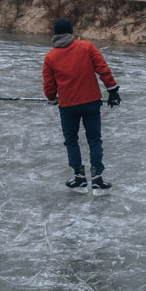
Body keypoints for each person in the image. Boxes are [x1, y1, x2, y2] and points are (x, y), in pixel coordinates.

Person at [42, 17, 121, 190]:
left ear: (55, 34)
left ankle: (79, 177)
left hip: (68, 106)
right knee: (94, 140)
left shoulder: (51, 57)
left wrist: (52, 99)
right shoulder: (86, 47)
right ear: (71, 31)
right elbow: (103, 69)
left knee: (71, 141)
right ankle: (98, 177)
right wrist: (113, 91)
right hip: (91, 103)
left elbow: (49, 84)